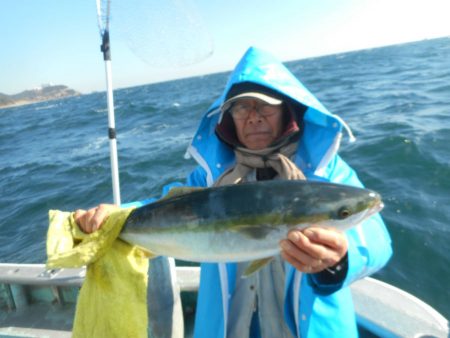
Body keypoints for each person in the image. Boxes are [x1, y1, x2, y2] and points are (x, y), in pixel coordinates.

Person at [75, 47, 392, 337]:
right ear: (228, 117)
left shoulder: (325, 172)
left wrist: (339, 258)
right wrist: (115, 216)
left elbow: (376, 238)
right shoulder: (211, 176)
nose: (253, 116)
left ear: (287, 110)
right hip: (229, 325)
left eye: (265, 106)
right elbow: (163, 205)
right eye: (241, 108)